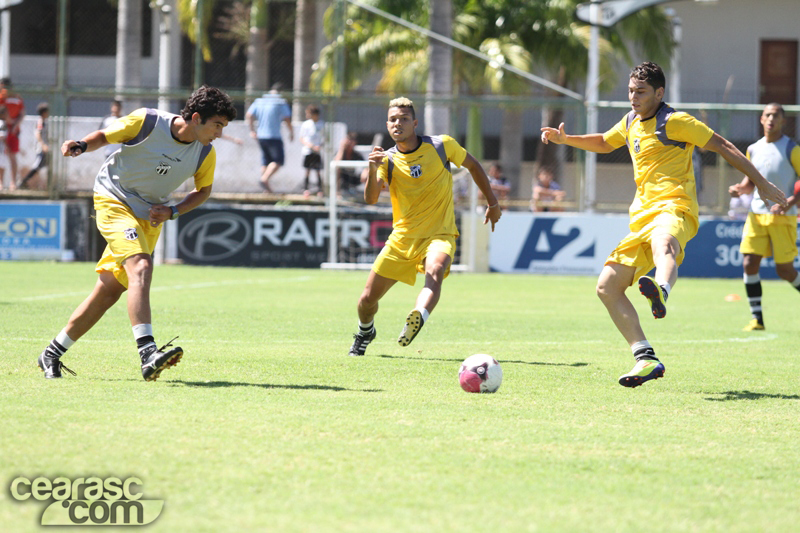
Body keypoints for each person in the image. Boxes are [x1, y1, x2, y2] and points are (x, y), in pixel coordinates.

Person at [540, 61, 787, 388]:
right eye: (630, 91)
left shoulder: (676, 121)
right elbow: (603, 141)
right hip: (640, 216)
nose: (633, 97)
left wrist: (760, 183)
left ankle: (662, 289)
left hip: (676, 207)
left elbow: (723, 146)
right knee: (607, 286)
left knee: (663, 243)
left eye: (640, 92)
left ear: (659, 92)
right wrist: (566, 139)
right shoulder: (630, 122)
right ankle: (645, 357)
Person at [36, 85, 237, 380]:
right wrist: (81, 144)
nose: (219, 132)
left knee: (108, 291)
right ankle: (148, 353)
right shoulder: (148, 121)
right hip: (113, 200)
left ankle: (51, 353)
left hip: (150, 216)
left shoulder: (205, 152)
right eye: (217, 125)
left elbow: (203, 191)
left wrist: (173, 210)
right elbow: (106, 136)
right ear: (196, 118)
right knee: (141, 267)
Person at [348, 97, 502, 356]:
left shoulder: (442, 145)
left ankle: (418, 314)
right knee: (366, 301)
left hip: (439, 234)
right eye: (394, 120)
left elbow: (473, 166)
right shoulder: (386, 160)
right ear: (387, 124)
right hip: (402, 240)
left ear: (415, 123)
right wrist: (372, 168)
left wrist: (493, 202)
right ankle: (366, 331)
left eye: (404, 119)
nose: (398, 124)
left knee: (436, 269)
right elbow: (371, 199)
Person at [728, 103, 800, 331]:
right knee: (749, 263)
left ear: (783, 122)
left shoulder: (792, 149)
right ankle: (757, 319)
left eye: (776, 116)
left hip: (784, 216)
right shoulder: (753, 149)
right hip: (756, 215)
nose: (771, 119)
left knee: (785, 270)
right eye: (768, 115)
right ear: (761, 119)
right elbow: (751, 182)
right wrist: (740, 188)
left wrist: (789, 202)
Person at [246, 83, 293, 192]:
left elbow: (249, 115)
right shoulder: (280, 102)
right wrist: (291, 132)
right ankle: (264, 179)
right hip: (274, 136)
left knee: (266, 162)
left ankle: (265, 190)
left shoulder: (260, 100)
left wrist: (252, 130)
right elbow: (287, 118)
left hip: (261, 136)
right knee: (278, 160)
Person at [0, 78, 25, 189]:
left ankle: (13, 182)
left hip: (13, 132)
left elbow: (22, 113)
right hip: (2, 129)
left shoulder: (17, 98)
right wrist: (7, 120)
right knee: (2, 157)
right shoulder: (1, 98)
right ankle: (0, 182)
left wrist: (15, 124)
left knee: (12, 157)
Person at [20, 102, 50, 189]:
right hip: (41, 148)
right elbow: (38, 134)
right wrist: (43, 145)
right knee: (37, 166)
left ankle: (47, 185)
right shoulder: (40, 122)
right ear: (44, 112)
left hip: (44, 147)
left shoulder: (44, 122)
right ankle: (23, 182)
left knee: (44, 166)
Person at [299, 104, 324, 196]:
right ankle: (306, 189)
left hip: (317, 151)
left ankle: (319, 189)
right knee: (307, 171)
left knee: (318, 171)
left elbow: (324, 138)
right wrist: (311, 146)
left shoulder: (321, 124)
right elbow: (302, 138)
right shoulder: (306, 125)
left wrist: (319, 146)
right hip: (308, 151)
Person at [334, 132, 368, 196]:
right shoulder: (341, 153)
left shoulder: (356, 154)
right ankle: (337, 192)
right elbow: (336, 163)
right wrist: (342, 148)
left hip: (352, 177)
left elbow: (365, 165)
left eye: (352, 142)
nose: (350, 144)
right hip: (342, 178)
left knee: (368, 174)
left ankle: (368, 194)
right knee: (337, 170)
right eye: (349, 141)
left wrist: (365, 171)